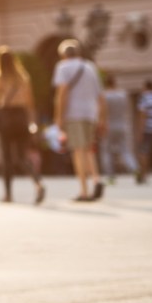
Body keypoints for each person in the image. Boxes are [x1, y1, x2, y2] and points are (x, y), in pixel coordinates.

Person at [0, 46, 45, 205]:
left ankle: (8, 194)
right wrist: (31, 121)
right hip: (21, 116)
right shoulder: (23, 76)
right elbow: (30, 101)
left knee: (6, 157)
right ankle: (38, 183)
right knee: (22, 156)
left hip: (6, 117)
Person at [52, 39, 105, 202]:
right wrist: (102, 117)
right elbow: (100, 95)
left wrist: (59, 117)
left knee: (78, 151)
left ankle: (84, 192)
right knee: (89, 149)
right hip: (90, 113)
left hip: (74, 114)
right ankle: (96, 179)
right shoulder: (90, 67)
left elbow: (62, 94)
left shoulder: (63, 67)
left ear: (63, 55)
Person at [99, 74, 137, 184]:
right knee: (125, 149)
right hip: (122, 124)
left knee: (106, 151)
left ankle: (110, 176)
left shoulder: (104, 95)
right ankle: (134, 168)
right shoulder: (123, 94)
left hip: (108, 125)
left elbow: (102, 111)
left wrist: (101, 125)